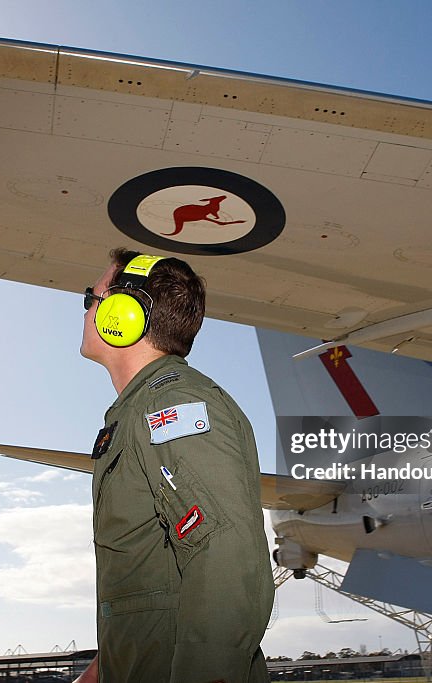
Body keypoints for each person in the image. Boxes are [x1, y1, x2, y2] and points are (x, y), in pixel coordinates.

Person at [75, 248, 273, 683]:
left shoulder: (172, 405)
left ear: (122, 315)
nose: (86, 308)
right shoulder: (139, 409)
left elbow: (223, 549)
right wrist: (104, 668)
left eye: (92, 297)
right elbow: (151, 580)